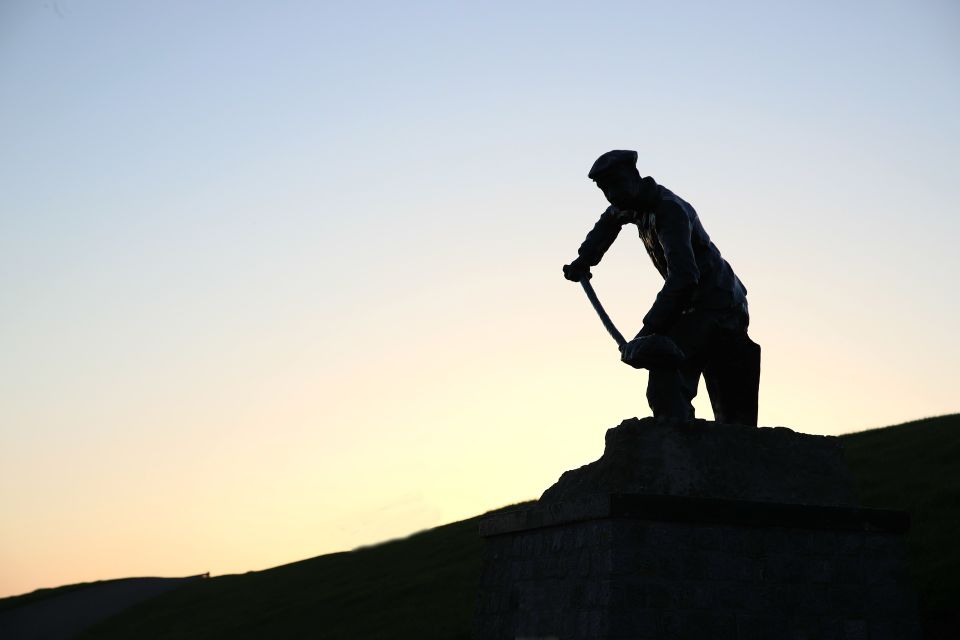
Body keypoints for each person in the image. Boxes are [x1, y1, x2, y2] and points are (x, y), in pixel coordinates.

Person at [563, 150, 761, 425]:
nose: (612, 194)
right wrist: (584, 260)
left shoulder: (669, 210)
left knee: (677, 373)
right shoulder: (631, 203)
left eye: (616, 184)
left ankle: (682, 443)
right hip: (692, 304)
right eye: (605, 189)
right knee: (668, 372)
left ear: (634, 177)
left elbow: (684, 277)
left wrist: (649, 329)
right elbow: (608, 222)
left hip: (719, 304)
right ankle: (681, 444)